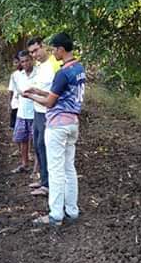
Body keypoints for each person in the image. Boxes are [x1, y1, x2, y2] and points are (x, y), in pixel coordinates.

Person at [23, 33, 86, 226]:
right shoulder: (78, 68)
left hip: (57, 125)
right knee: (69, 168)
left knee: (56, 170)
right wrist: (38, 91)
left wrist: (31, 97)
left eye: (54, 49)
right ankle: (72, 210)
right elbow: (60, 94)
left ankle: (55, 215)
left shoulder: (62, 72)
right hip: (72, 123)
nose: (53, 53)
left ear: (61, 49)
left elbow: (50, 103)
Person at [26, 36, 59, 196]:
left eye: (36, 50)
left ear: (43, 46)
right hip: (37, 111)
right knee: (38, 146)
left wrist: (36, 93)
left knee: (44, 146)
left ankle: (48, 185)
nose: (34, 55)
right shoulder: (40, 66)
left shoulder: (55, 64)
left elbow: (57, 92)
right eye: (31, 52)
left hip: (49, 113)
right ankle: (43, 179)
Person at [11, 50, 36, 173]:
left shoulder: (38, 74)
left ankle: (37, 169)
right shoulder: (18, 76)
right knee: (22, 140)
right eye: (22, 61)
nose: (25, 63)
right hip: (22, 112)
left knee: (37, 143)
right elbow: (16, 92)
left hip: (35, 112)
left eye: (27, 60)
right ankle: (24, 164)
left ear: (31, 60)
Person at [8, 53, 22, 131]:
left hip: (23, 104)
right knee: (14, 127)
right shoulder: (14, 75)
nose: (15, 64)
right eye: (14, 62)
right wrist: (9, 103)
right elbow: (11, 90)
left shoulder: (27, 74)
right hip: (15, 103)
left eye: (17, 62)